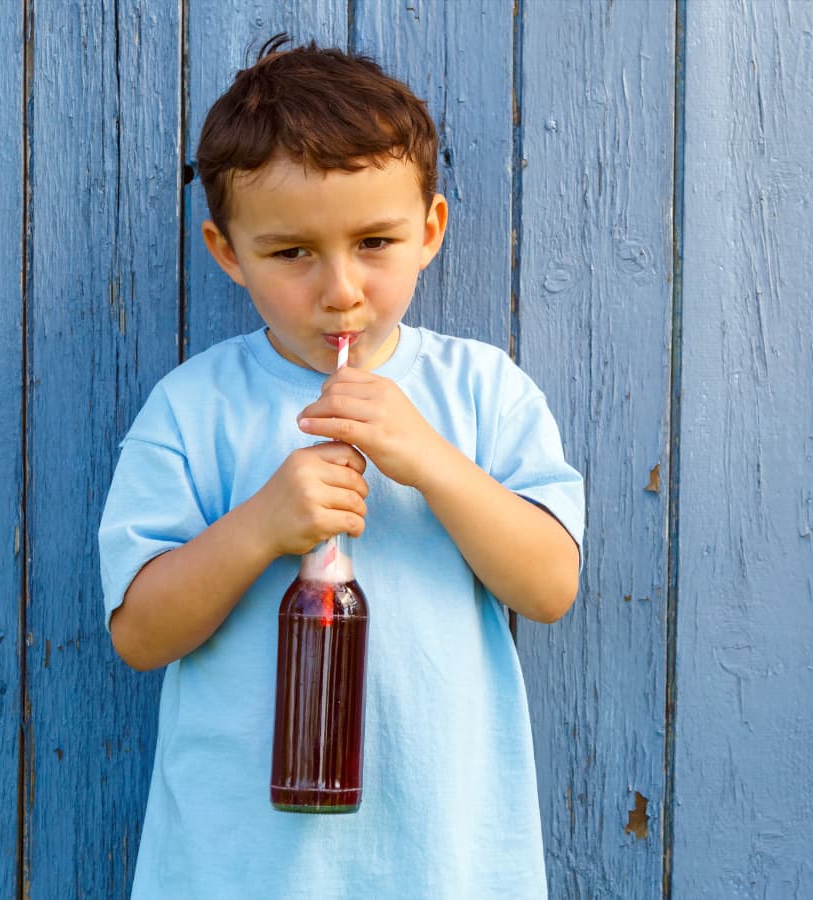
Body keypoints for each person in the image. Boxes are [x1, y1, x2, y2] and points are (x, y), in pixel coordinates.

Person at [98, 35, 584, 898]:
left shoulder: (482, 392)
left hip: (439, 858)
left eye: (374, 241)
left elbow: (548, 587)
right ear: (227, 251)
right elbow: (140, 634)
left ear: (429, 230)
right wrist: (259, 527)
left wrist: (430, 460)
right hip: (240, 864)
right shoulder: (193, 407)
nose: (340, 289)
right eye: (291, 253)